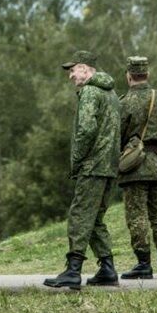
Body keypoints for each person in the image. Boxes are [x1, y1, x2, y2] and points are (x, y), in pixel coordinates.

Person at [44, 50, 121, 290]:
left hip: (92, 165)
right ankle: (107, 269)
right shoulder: (112, 94)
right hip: (109, 166)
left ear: (86, 69)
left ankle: (73, 270)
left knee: (79, 215)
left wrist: (77, 160)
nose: (70, 76)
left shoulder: (89, 91)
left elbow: (86, 130)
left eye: (73, 69)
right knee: (95, 218)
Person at [118, 56, 157, 279]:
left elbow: (118, 135)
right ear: (147, 75)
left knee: (137, 215)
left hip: (135, 167)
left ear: (128, 75)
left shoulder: (124, 102)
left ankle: (144, 264)